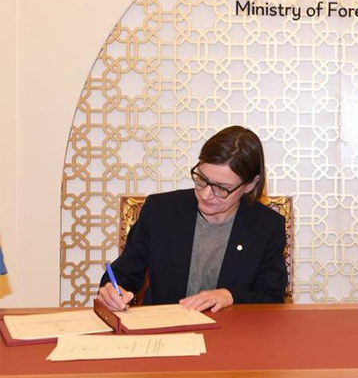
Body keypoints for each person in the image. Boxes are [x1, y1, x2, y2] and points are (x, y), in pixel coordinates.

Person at [97, 126, 287, 312]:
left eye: (221, 188)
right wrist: (112, 292)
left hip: (232, 335)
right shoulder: (160, 211)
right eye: (201, 179)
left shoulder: (267, 226)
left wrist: (231, 296)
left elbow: (271, 298)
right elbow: (122, 274)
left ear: (250, 185)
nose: (205, 195)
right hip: (165, 332)